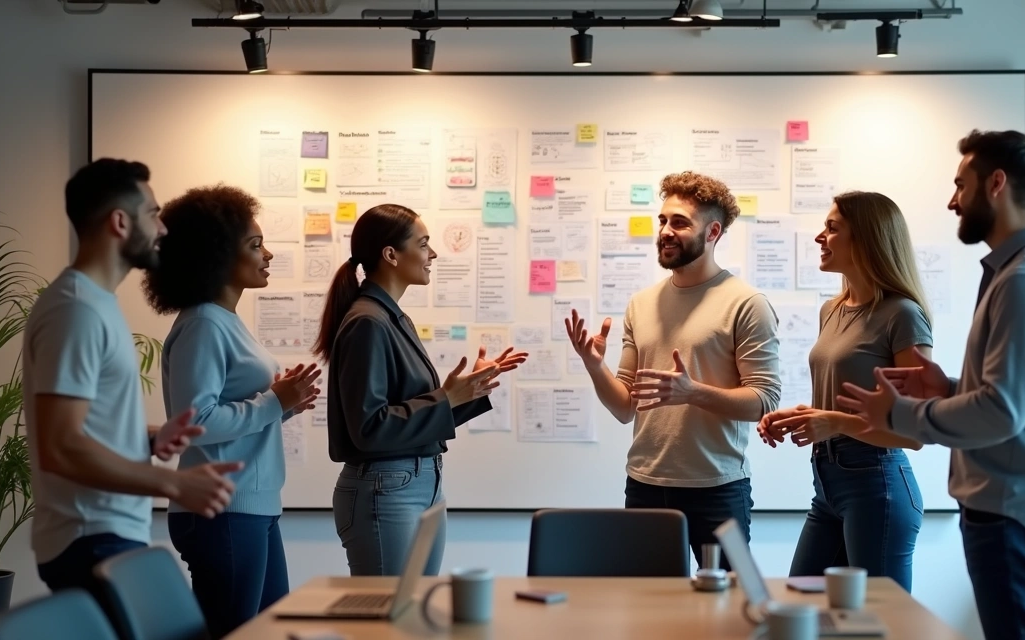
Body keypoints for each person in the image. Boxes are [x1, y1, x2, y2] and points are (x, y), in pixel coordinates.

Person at [836, 130, 1025, 639]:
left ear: (996, 184)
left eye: (960, 186)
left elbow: (1001, 412)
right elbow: (1016, 399)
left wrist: (898, 415)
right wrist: (948, 388)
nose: (952, 202)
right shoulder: (1019, 271)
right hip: (1008, 512)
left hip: (1013, 516)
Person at [24, 159, 244, 601]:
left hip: (103, 533)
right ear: (120, 222)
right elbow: (60, 446)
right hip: (89, 535)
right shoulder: (76, 310)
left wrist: (148, 437)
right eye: (153, 214)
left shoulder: (95, 303)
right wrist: (175, 484)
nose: (162, 228)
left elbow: (82, 429)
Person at [565, 171, 781, 569]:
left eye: (679, 222)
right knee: (648, 602)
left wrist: (692, 392)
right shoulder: (641, 304)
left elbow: (763, 401)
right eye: (663, 220)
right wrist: (595, 366)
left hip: (717, 488)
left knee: (727, 600)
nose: (665, 231)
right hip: (644, 484)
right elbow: (625, 406)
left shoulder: (747, 304)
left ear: (713, 232)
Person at [142, 184, 322, 637]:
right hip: (225, 512)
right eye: (256, 245)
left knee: (265, 632)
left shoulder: (224, 320)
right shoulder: (204, 323)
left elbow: (238, 414)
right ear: (217, 255)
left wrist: (285, 405)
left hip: (251, 507)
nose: (268, 254)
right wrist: (274, 401)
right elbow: (197, 423)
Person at [312, 204, 527, 576]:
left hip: (419, 482)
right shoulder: (368, 322)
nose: (433, 254)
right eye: (424, 244)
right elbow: (370, 428)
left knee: (415, 605)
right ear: (391, 255)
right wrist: (446, 398)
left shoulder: (391, 317)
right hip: (387, 488)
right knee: (389, 610)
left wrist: (469, 391)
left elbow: (414, 416)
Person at [755, 191, 931, 592]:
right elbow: (845, 404)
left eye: (832, 228)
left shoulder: (903, 315)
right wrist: (805, 416)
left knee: (881, 617)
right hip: (827, 485)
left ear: (866, 239)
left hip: (877, 486)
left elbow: (916, 432)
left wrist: (833, 422)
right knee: (802, 603)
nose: (820, 237)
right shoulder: (831, 310)